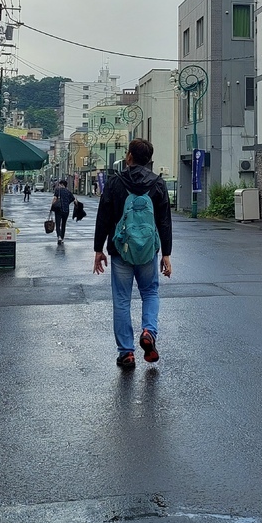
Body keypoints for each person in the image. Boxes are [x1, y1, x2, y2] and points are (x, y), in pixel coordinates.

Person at [93, 138, 172, 370]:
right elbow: (164, 221)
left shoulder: (115, 182)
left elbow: (103, 217)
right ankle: (149, 331)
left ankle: (126, 353)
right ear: (149, 160)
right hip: (148, 251)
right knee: (150, 292)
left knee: (121, 299)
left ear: (129, 157)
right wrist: (166, 254)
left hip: (120, 250)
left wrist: (98, 249)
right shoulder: (158, 183)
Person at [50, 178, 76, 244]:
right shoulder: (68, 192)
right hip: (66, 210)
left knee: (58, 224)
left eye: (59, 184)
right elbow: (74, 200)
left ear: (62, 184)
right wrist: (67, 203)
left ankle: (59, 236)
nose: (58, 186)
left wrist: (52, 206)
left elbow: (55, 199)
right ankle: (62, 238)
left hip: (58, 210)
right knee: (63, 224)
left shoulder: (58, 190)